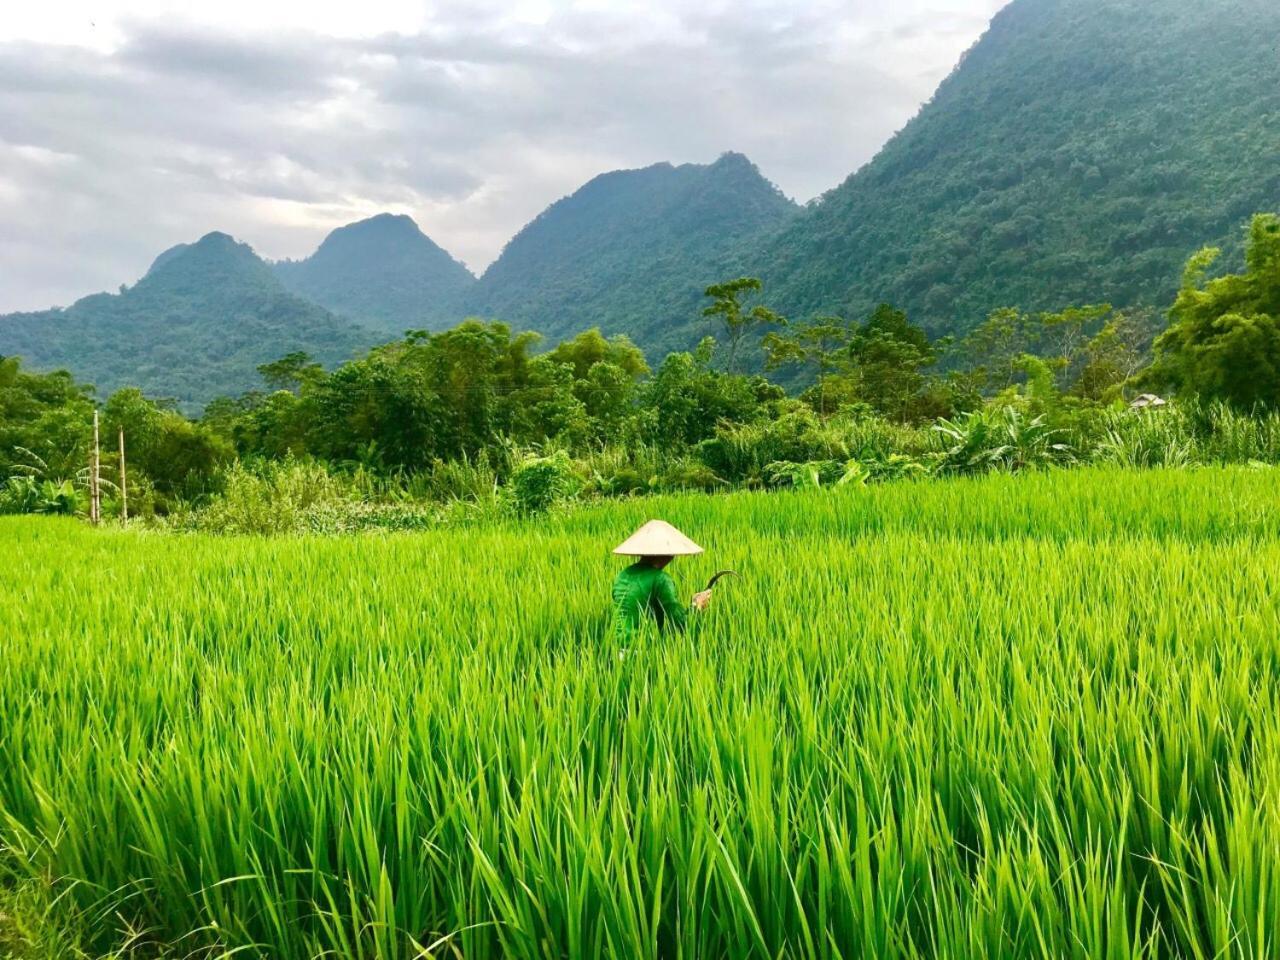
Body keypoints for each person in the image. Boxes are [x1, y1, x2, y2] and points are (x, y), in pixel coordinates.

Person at [611, 520, 712, 644]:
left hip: (617, 649)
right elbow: (680, 623)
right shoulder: (661, 579)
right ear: (668, 555)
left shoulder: (623, 575)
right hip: (643, 651)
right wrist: (697, 606)